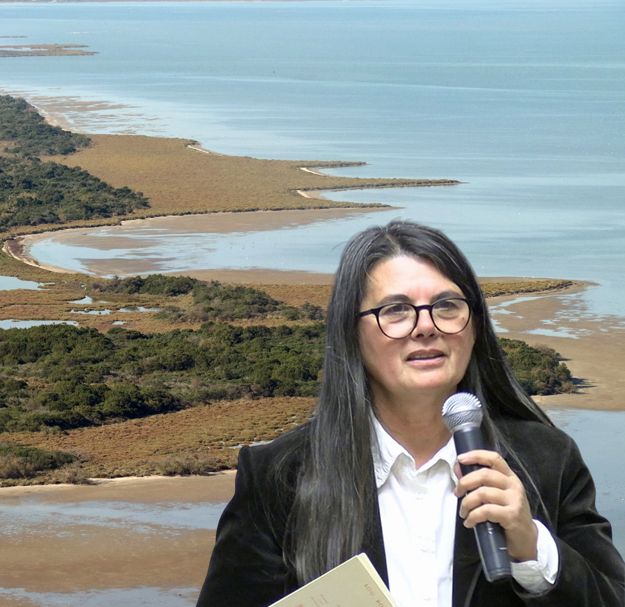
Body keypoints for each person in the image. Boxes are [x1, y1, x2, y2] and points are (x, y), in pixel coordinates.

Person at [195, 220, 625, 607]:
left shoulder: (548, 461)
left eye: (447, 305)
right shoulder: (278, 477)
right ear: (351, 333)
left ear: (475, 327)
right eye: (395, 310)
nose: (426, 326)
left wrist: (533, 549)